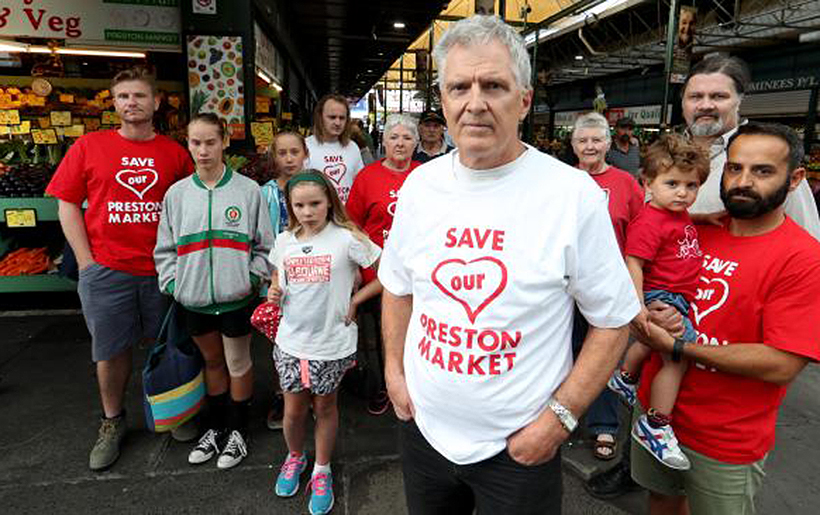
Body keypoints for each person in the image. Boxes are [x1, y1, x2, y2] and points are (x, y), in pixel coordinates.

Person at [378, 15, 640, 514]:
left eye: (493, 85)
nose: (474, 102)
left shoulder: (571, 195)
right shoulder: (419, 187)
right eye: (459, 86)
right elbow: (397, 287)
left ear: (522, 100)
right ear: (444, 98)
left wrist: (559, 421)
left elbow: (613, 320)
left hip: (519, 450)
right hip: (424, 433)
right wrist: (394, 372)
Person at [631, 122, 820, 515]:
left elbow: (782, 364)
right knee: (662, 501)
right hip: (657, 415)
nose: (743, 181)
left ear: (796, 178)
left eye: (762, 171)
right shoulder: (694, 229)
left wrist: (679, 346)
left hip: (725, 438)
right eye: (735, 168)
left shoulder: (803, 259)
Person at [45, 67, 194, 471]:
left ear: (156, 101)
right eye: (124, 96)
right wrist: (88, 263)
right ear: (114, 102)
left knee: (168, 342)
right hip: (107, 269)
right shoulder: (89, 147)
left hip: (161, 269)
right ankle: (112, 421)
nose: (132, 103)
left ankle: (173, 411)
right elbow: (66, 203)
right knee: (110, 351)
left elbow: (190, 205)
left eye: (140, 96)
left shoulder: (174, 153)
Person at [154, 113, 274, 470]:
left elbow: (265, 247)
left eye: (210, 142)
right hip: (194, 301)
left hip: (237, 298)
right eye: (196, 143)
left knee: (238, 362)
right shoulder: (176, 195)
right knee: (211, 362)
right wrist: (175, 285)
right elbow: (164, 249)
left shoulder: (248, 191)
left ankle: (238, 431)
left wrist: (251, 281)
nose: (203, 150)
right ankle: (216, 426)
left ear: (224, 142)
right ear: (187, 144)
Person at [269, 170, 381, 515]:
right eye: (299, 205)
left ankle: (321, 469)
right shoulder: (285, 239)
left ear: (329, 202)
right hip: (290, 342)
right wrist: (274, 288)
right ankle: (295, 457)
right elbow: (277, 272)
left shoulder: (347, 238)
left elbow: (388, 272)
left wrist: (356, 299)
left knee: (325, 408)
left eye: (315, 203)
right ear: (290, 206)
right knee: (293, 410)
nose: (307, 212)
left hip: (331, 343)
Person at [606, 134, 709, 472]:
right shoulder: (651, 221)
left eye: (691, 185)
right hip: (662, 296)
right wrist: (638, 305)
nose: (683, 192)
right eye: (673, 183)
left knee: (650, 346)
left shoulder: (678, 215)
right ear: (647, 182)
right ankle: (656, 424)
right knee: (678, 357)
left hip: (673, 296)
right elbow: (633, 262)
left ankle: (624, 376)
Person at [570, 112, 645, 462]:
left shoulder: (626, 183)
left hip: (608, 285)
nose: (590, 146)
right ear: (573, 145)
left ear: (608, 143)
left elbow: (639, 239)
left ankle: (605, 425)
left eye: (596, 140)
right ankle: (562, 417)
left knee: (604, 357)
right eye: (583, 140)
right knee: (562, 352)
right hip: (565, 286)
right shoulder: (561, 181)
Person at [683, 55, 820, 239]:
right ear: (683, 103)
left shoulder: (774, 157)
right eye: (695, 96)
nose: (705, 105)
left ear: (739, 101)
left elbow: (807, 241)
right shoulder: (666, 154)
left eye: (719, 96)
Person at [346, 113, 423, 416]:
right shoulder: (367, 177)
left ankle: (415, 385)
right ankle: (383, 386)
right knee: (382, 334)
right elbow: (351, 224)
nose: (400, 143)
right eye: (394, 137)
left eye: (406, 137)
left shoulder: (426, 174)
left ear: (416, 143)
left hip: (419, 272)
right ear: (384, 141)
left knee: (417, 330)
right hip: (376, 273)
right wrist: (365, 259)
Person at [260, 131, 309, 430]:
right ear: (274, 157)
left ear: (305, 152)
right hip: (279, 275)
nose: (289, 159)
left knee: (313, 333)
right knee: (281, 339)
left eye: (295, 152)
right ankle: (284, 393)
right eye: (282, 153)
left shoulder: (317, 184)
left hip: (313, 274)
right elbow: (263, 236)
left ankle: (315, 391)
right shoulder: (265, 193)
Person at [306, 94, 364, 203]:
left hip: (346, 216)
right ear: (320, 117)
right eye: (332, 117)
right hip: (317, 217)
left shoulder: (353, 147)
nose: (337, 123)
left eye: (342, 118)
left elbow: (360, 184)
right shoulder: (305, 147)